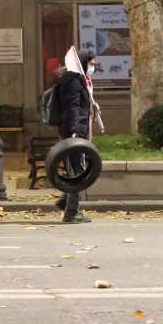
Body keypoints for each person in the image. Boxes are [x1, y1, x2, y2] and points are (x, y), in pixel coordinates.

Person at [55, 49, 99, 223]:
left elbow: (80, 106)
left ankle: (65, 201)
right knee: (78, 172)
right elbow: (73, 108)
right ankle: (72, 212)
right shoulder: (74, 81)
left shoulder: (78, 80)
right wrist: (75, 132)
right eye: (91, 64)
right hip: (74, 131)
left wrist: (92, 104)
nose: (93, 67)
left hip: (77, 129)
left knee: (76, 169)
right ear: (82, 63)